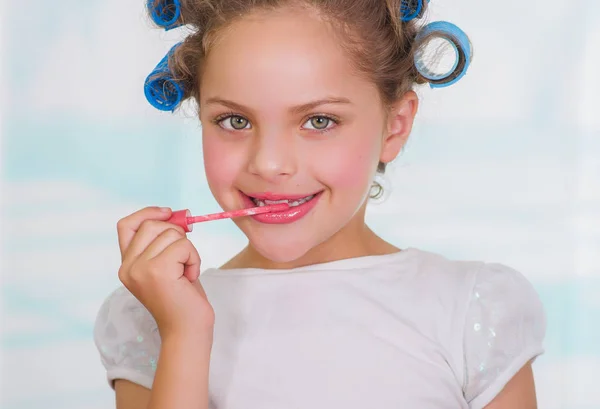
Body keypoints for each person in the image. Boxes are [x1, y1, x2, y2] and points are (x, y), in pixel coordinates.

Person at [93, 1, 547, 408]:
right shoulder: (153, 317)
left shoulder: (469, 309)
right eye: (234, 120)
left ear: (394, 127)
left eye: (319, 120)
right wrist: (184, 336)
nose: (269, 164)